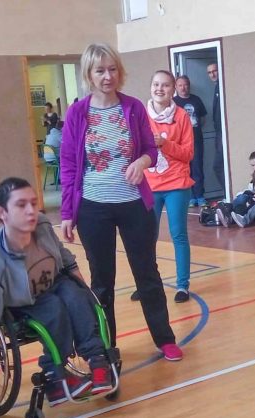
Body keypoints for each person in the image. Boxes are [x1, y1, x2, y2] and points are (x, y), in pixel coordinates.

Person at [59, 43, 182, 361]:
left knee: (147, 274)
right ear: (89, 74)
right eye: (100, 70)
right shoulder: (77, 113)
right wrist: (67, 213)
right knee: (102, 281)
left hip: (133, 205)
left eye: (112, 69)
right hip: (92, 207)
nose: (107, 76)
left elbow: (150, 150)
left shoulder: (134, 108)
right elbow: (69, 165)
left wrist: (142, 162)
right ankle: (106, 346)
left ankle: (164, 338)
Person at [0, 178, 113, 417]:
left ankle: (98, 361)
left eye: (33, 203)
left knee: (78, 297)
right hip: (23, 303)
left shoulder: (42, 224)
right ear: (1, 213)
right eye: (21, 205)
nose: (31, 211)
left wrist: (80, 282)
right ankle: (54, 374)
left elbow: (61, 254)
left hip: (55, 283)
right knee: (54, 307)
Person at [139, 70, 194, 303]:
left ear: (173, 90)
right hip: (149, 185)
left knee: (178, 234)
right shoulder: (141, 115)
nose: (159, 89)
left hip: (176, 184)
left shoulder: (181, 116)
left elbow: (188, 154)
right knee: (146, 237)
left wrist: (164, 143)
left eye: (165, 85)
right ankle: (147, 284)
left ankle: (182, 286)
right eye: (156, 84)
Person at [173, 75, 208, 207]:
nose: (183, 88)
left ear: (189, 86)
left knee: (197, 167)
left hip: (196, 140)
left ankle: (200, 196)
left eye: (185, 85)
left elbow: (203, 119)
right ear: (176, 87)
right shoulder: (173, 103)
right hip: (180, 143)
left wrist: (193, 129)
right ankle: (190, 197)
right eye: (180, 85)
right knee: (185, 169)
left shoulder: (196, 100)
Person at [207, 62, 225, 189]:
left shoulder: (222, 86)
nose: (212, 74)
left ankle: (227, 193)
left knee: (218, 166)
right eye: (209, 72)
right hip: (218, 132)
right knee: (219, 166)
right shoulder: (217, 87)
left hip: (223, 133)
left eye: (215, 71)